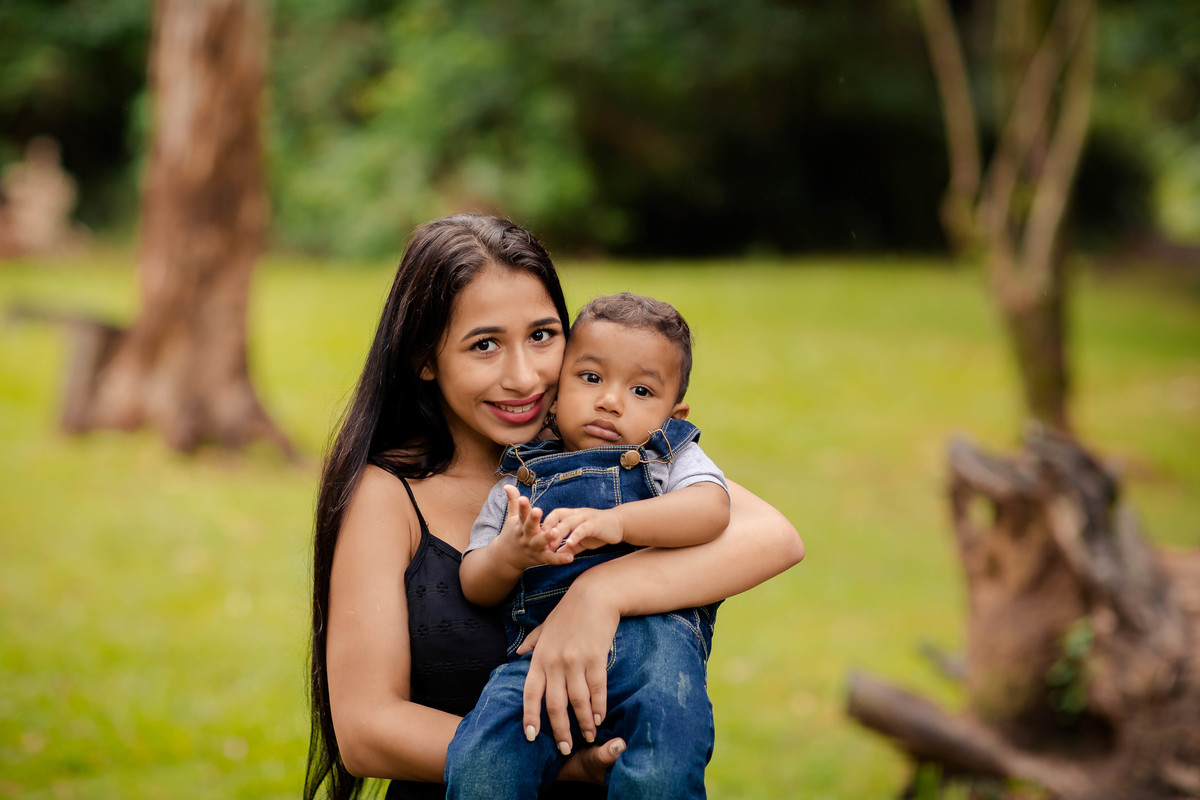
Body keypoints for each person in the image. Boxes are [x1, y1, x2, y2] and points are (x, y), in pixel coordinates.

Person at [305, 214, 805, 800]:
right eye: (484, 345)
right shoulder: (386, 494)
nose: (524, 377)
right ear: (425, 358)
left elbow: (773, 536)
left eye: (542, 335)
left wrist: (600, 594)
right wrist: (563, 766)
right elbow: (366, 733)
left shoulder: (601, 449)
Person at [447, 292, 730, 799]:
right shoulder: (520, 479)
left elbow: (711, 509)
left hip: (656, 651)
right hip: (542, 659)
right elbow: (474, 583)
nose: (610, 401)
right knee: (480, 763)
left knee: (663, 767)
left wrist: (618, 522)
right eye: (591, 378)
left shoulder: (666, 460)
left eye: (642, 391)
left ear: (673, 413)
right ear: (556, 392)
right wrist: (509, 555)